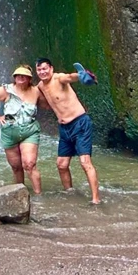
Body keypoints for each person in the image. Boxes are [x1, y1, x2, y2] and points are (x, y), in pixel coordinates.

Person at [34, 57, 101, 204]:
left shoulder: (58, 78)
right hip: (64, 128)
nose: (42, 72)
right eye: (39, 70)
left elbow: (70, 77)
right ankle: (70, 193)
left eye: (45, 69)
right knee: (61, 165)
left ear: (51, 69)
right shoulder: (40, 86)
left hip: (80, 123)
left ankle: (96, 199)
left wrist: (81, 75)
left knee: (85, 163)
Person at [0, 65, 43, 193]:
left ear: (29, 78)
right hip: (9, 131)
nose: (20, 77)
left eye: (24, 75)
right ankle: (20, 195)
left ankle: (38, 195)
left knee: (29, 164)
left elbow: (50, 103)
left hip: (29, 131)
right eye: (18, 75)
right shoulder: (6, 90)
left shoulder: (36, 91)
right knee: (16, 167)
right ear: (14, 77)